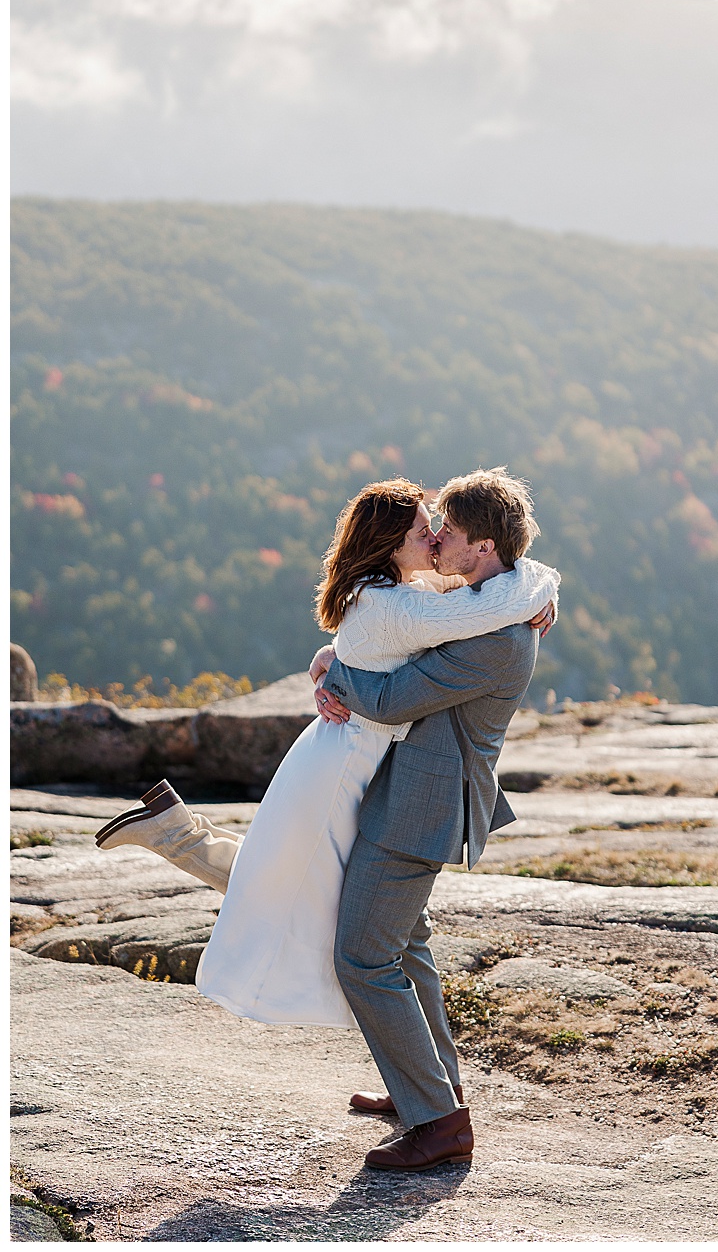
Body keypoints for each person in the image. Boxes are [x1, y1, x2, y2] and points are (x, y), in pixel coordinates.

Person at [94, 469, 557, 1172]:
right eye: (429, 530)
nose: (437, 541)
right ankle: (430, 1089)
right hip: (399, 793)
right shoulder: (490, 600)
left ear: (484, 546)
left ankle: (439, 1122)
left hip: (418, 808)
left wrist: (333, 673)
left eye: (450, 534)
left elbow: (395, 696)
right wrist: (337, 657)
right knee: (405, 946)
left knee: (364, 957)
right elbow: (415, 629)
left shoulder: (495, 635)